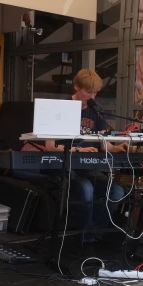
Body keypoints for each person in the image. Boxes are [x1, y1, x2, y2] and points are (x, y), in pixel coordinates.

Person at [42, 70, 126, 249]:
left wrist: (117, 148)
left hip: (88, 166)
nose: (92, 96)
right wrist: (78, 149)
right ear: (76, 87)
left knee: (116, 192)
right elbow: (49, 146)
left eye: (95, 92)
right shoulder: (60, 108)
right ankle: (86, 237)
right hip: (65, 165)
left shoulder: (96, 110)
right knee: (86, 188)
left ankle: (93, 233)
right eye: (88, 92)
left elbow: (104, 144)